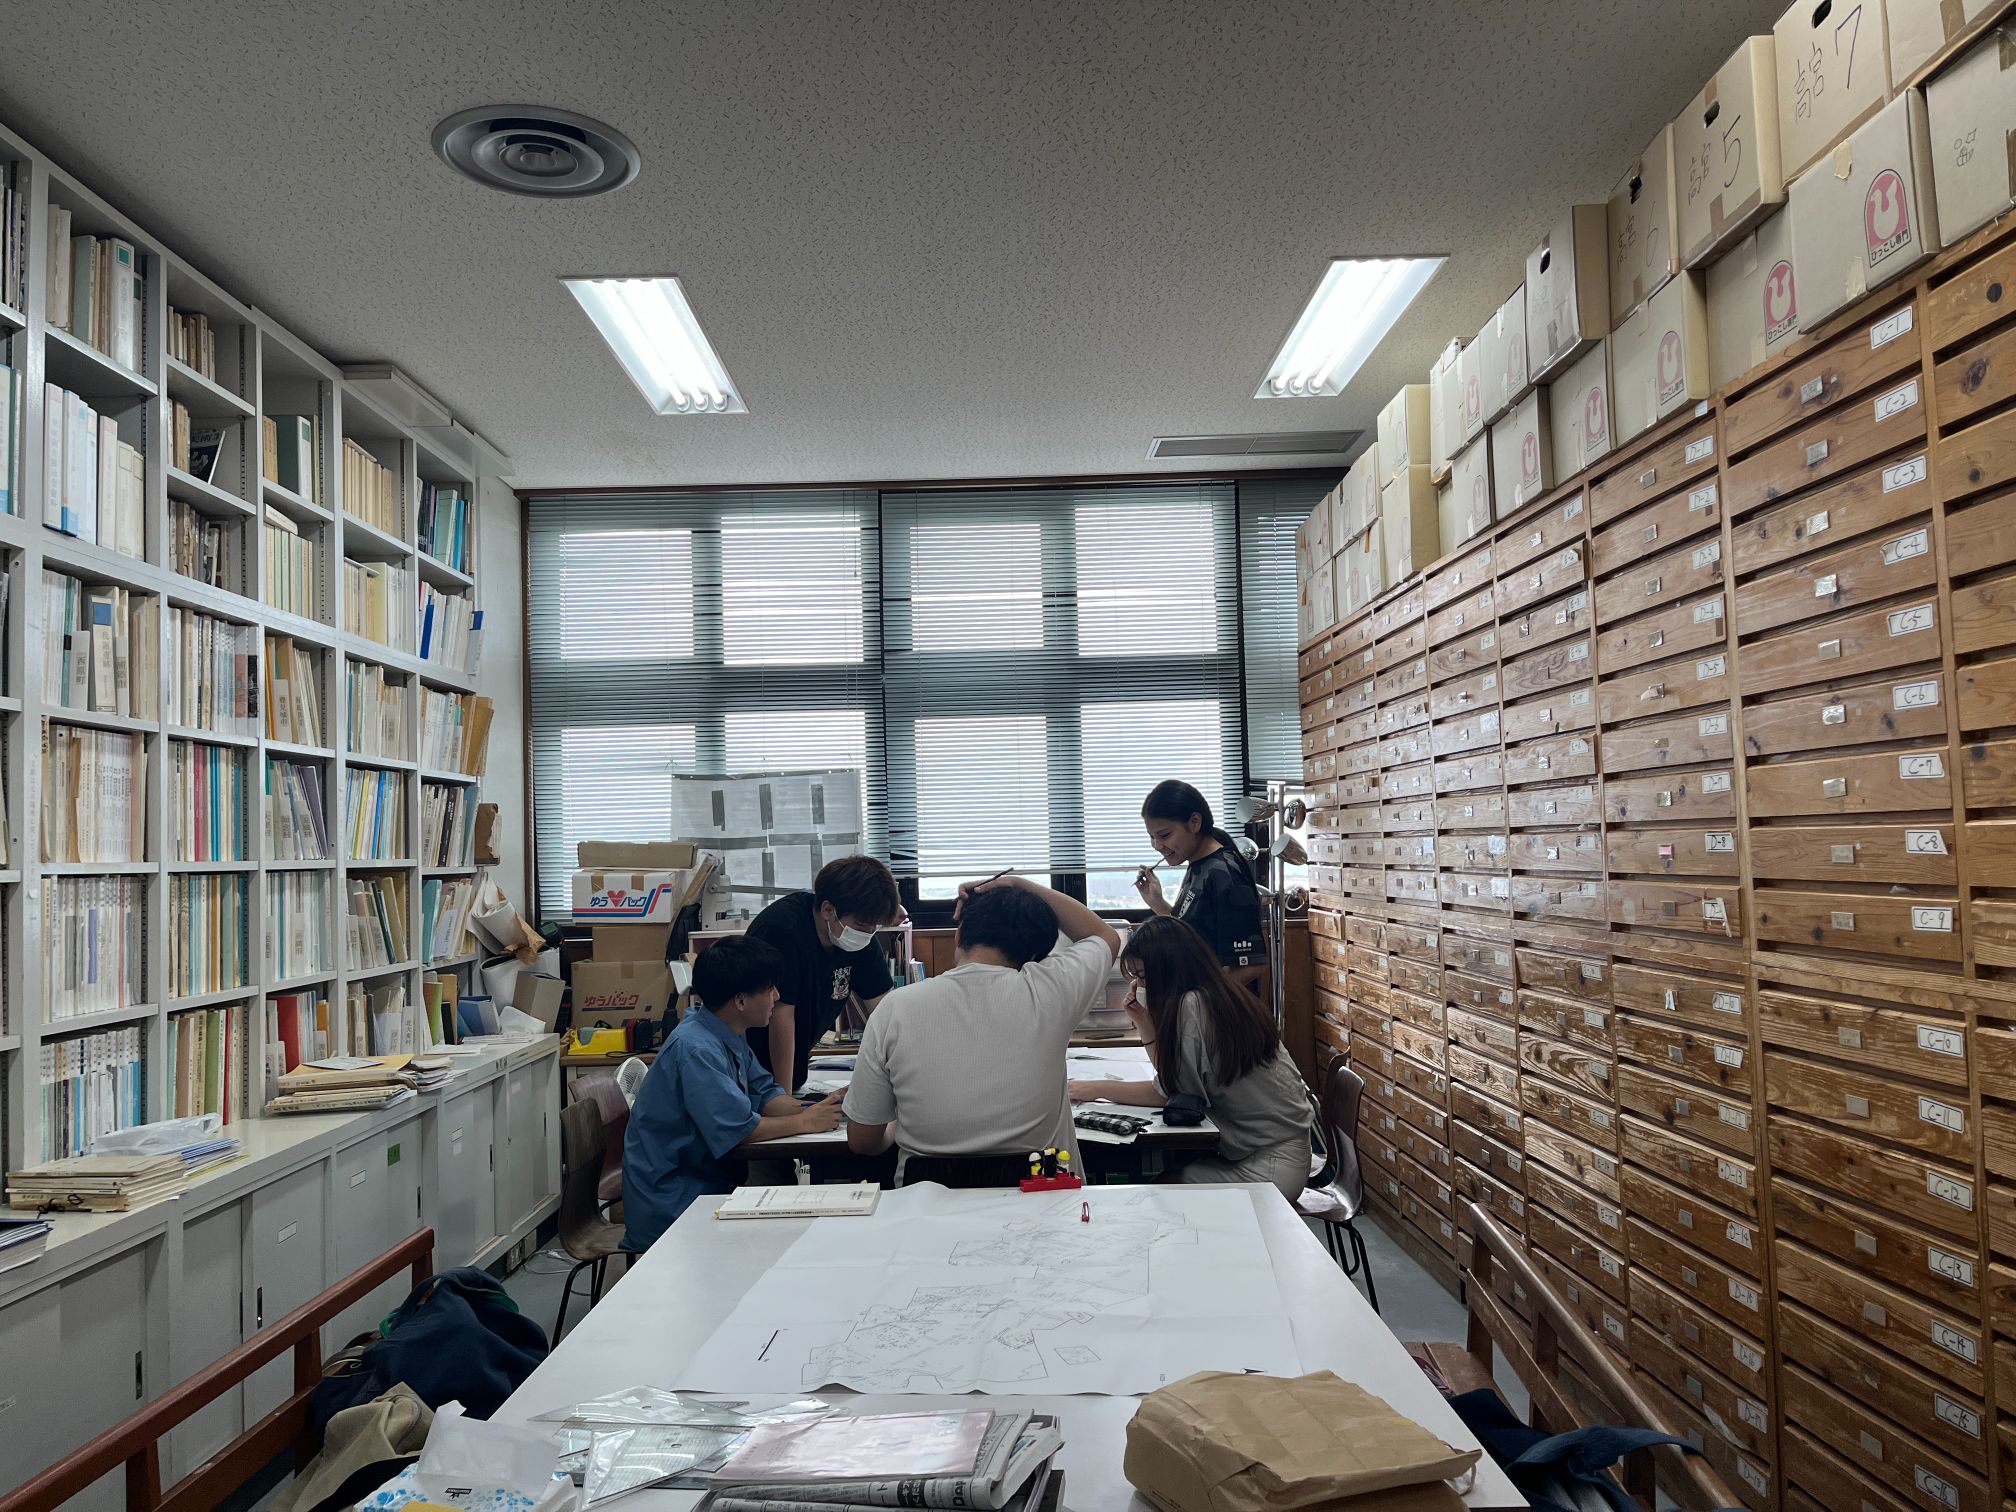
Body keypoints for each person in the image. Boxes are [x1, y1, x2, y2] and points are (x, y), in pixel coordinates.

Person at [844, 874, 1119, 1169]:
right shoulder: (1053, 990)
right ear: (1035, 955)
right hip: (1042, 1190)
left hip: (927, 1194)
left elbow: (863, 1141)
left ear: (959, 935)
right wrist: (1017, 883)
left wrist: (898, 1124)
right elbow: (1104, 936)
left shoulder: (895, 1008)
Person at [620, 935, 844, 1250]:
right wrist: (805, 1122)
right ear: (740, 1001)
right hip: (672, 1199)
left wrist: (821, 1107)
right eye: (769, 989)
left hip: (701, 1180)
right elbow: (738, 1131)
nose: (777, 996)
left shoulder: (725, 1032)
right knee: (787, 1228)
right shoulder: (697, 1049)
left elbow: (765, 1094)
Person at [1067, 915, 1310, 1200]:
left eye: (1143, 976)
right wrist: (1143, 1021)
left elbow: (1169, 1093)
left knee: (1157, 1195)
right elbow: (1171, 1079)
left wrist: (1094, 1089)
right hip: (1276, 1151)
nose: (1140, 985)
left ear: (1168, 970)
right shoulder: (1218, 993)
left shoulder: (1193, 1006)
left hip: (1270, 1166)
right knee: (1164, 1184)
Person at [744, 854, 904, 1095]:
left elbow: (885, 1010)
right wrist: (783, 1099)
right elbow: (781, 1015)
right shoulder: (782, 931)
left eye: (876, 925)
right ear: (828, 909)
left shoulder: (860, 936)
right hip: (750, 1069)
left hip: (796, 1063)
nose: (869, 932)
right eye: (862, 925)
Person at [1133, 780, 1268, 993]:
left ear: (1195, 822)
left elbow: (1251, 965)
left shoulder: (1224, 873)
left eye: (1164, 835)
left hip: (1221, 1011)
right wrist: (1156, 902)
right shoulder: (1199, 864)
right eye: (1152, 837)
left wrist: (1196, 1000)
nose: (1157, 846)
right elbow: (1191, 936)